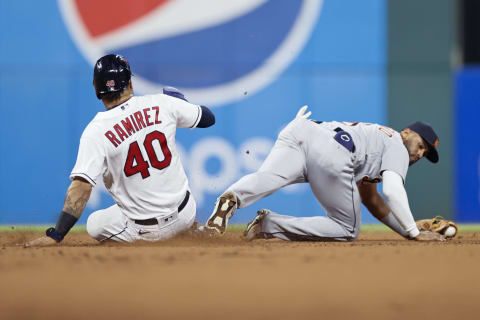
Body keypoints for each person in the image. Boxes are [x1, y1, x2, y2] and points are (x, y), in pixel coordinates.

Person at [26, 54, 215, 246]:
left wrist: (56, 234)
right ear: (130, 83)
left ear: (96, 88)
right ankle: (188, 229)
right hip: (186, 214)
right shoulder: (161, 102)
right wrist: (182, 104)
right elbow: (208, 118)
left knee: (95, 224)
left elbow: (81, 188)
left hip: (146, 232)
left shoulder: (96, 131)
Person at [205, 106, 445, 242]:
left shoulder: (378, 144)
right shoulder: (396, 145)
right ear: (406, 133)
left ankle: (232, 198)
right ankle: (267, 224)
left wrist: (408, 229)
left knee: (270, 178)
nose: (420, 153)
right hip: (334, 151)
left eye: (425, 153)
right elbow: (392, 191)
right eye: (421, 145)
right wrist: (414, 233)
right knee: (347, 228)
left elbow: (373, 200)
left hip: (301, 129)